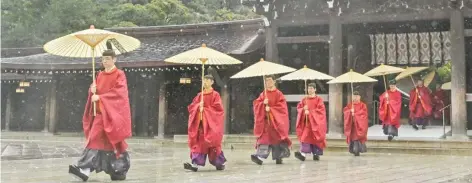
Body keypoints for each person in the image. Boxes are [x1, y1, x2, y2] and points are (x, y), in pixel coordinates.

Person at [69, 41, 131, 181]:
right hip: (100, 114)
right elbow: (95, 91)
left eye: (108, 59)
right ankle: (84, 170)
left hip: (113, 114)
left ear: (114, 59)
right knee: (94, 139)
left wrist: (101, 97)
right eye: (103, 59)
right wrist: (92, 91)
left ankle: (118, 170)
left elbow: (119, 94)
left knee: (114, 143)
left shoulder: (120, 74)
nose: (105, 62)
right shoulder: (100, 75)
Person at [184, 75, 226, 172]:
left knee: (213, 146)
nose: (205, 82)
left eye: (207, 80)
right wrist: (198, 107)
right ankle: (195, 164)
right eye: (204, 80)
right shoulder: (199, 96)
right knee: (199, 145)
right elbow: (191, 108)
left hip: (211, 126)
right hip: (201, 126)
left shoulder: (216, 95)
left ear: (212, 82)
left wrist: (206, 110)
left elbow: (218, 110)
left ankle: (219, 163)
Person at [251, 75, 291, 165]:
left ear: (274, 81)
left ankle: (279, 157)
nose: (268, 82)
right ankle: (260, 157)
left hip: (276, 122)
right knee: (264, 140)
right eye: (266, 81)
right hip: (266, 123)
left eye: (269, 80)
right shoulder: (263, 94)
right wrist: (262, 104)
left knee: (277, 141)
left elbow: (282, 108)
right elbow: (256, 104)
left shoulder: (279, 94)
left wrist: (271, 109)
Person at [294, 83, 326, 161]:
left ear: (315, 89)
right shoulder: (304, 99)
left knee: (315, 138)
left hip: (315, 123)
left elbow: (321, 111)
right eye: (308, 88)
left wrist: (311, 113)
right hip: (307, 123)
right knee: (305, 138)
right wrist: (303, 109)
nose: (310, 90)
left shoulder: (319, 100)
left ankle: (316, 153)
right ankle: (303, 154)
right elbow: (299, 108)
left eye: (312, 88)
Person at [343, 91, 368, 156]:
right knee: (353, 138)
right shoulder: (350, 105)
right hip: (352, 126)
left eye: (357, 96)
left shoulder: (363, 105)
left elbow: (364, 114)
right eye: (354, 96)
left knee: (357, 137)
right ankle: (354, 150)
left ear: (360, 97)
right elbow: (345, 111)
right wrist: (350, 112)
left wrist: (356, 115)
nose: (355, 98)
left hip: (359, 125)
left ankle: (357, 150)